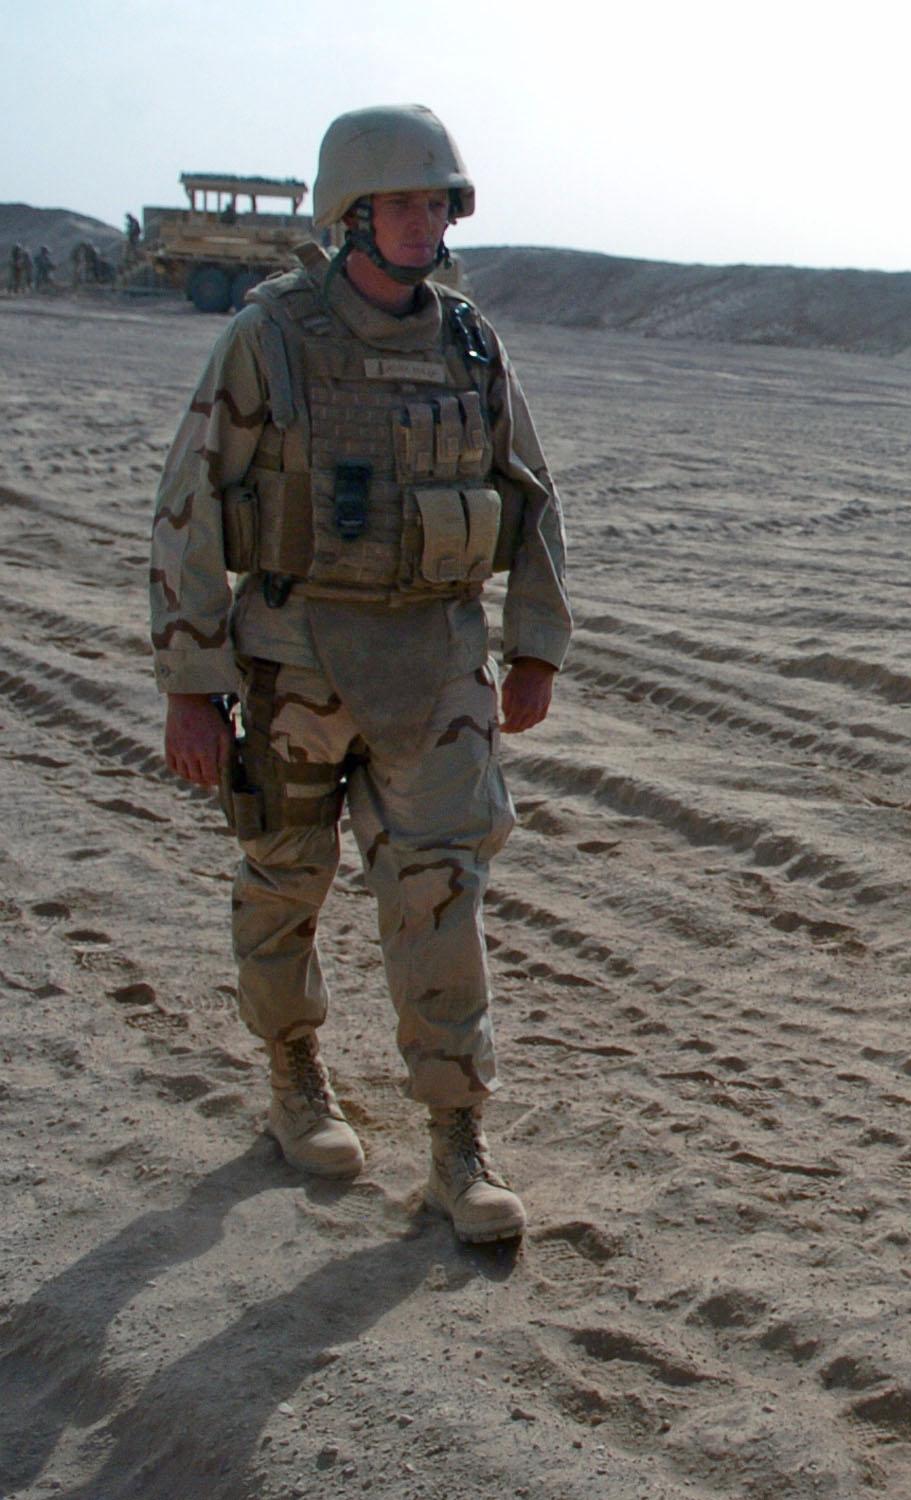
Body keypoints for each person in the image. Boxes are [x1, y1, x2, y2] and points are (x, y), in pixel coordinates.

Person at [150, 104, 571, 1244]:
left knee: (440, 896)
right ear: (350, 215)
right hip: (293, 667)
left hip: (437, 668)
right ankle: (294, 1080)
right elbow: (188, 510)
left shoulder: (471, 343)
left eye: (437, 202)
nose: (422, 221)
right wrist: (191, 685)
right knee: (285, 878)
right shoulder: (269, 337)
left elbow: (529, 498)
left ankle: (455, 1145)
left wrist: (533, 647)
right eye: (400, 203)